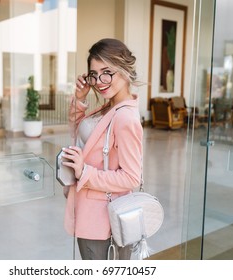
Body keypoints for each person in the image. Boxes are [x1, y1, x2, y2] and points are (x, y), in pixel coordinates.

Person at [61, 38, 143, 260]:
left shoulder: (125, 117)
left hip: (102, 221)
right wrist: (80, 99)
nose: (99, 81)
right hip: (90, 212)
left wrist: (84, 172)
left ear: (124, 70)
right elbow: (83, 135)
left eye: (107, 72)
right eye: (94, 74)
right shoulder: (110, 107)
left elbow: (131, 177)